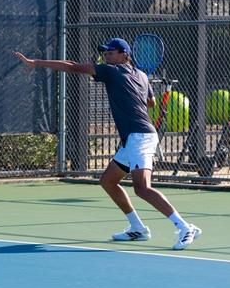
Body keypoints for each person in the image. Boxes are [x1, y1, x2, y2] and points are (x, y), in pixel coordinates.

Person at [14, 38, 202, 250]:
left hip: (139, 137)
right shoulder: (140, 75)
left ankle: (185, 227)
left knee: (142, 188)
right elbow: (152, 103)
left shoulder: (113, 71)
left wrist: (36, 62)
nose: (106, 56)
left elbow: (73, 66)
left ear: (124, 54)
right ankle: (137, 228)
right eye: (105, 53)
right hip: (133, 138)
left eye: (111, 53)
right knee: (108, 181)